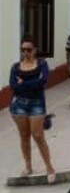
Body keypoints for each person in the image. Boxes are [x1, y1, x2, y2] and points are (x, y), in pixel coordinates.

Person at [9, 37, 56, 182]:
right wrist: (30, 84)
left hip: (37, 104)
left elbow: (43, 81)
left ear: (34, 50)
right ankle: (28, 166)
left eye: (28, 49)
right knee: (24, 136)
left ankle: (49, 167)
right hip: (19, 104)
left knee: (38, 135)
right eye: (23, 50)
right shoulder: (16, 67)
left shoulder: (42, 64)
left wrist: (23, 83)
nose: (25, 52)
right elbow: (13, 86)